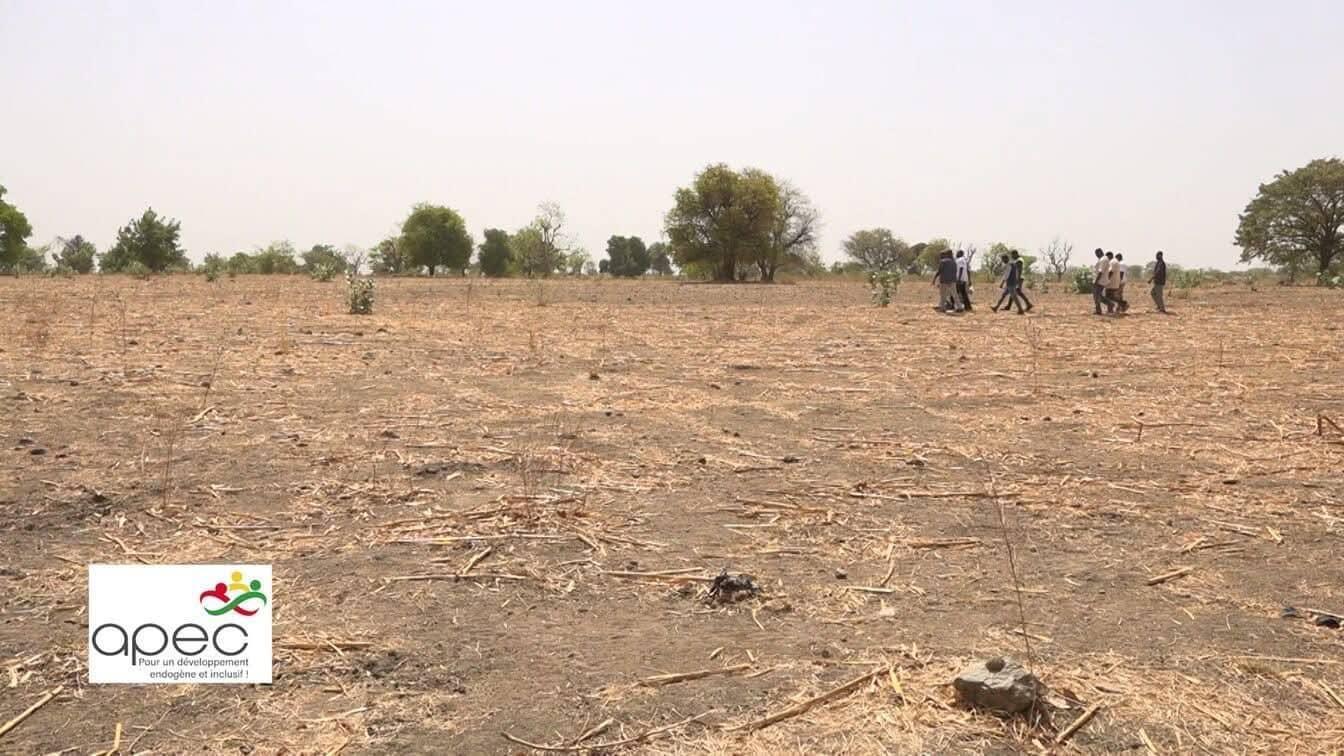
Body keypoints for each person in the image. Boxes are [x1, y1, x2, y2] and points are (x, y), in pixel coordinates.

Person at [1091, 248, 1114, 315]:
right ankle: (1109, 304)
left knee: (1096, 296)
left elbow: (1101, 271)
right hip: (1100, 280)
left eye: (1096, 253)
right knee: (1098, 296)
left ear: (1099, 252)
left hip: (1100, 281)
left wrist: (1096, 281)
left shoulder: (1103, 259)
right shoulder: (1103, 259)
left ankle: (1100, 309)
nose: (1096, 255)